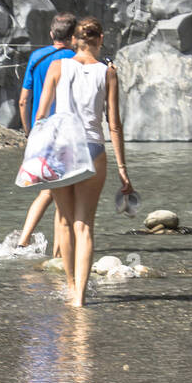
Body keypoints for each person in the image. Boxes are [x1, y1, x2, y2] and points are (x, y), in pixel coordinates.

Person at [33, 16, 133, 308]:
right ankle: (80, 297)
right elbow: (114, 125)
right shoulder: (108, 73)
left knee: (64, 221)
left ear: (75, 39)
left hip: (61, 147)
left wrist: (36, 155)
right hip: (92, 147)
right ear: (100, 39)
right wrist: (124, 171)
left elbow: (41, 115)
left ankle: (71, 285)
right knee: (84, 225)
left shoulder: (57, 66)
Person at [16, 12, 77, 251]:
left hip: (41, 132)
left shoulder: (37, 57)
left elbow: (23, 100)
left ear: (52, 34)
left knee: (51, 190)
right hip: (66, 133)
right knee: (58, 191)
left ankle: (27, 242)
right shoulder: (75, 59)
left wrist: (28, 131)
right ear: (73, 36)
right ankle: (54, 253)